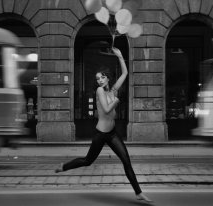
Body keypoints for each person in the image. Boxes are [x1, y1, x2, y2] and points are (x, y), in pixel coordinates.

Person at [55, 47, 152, 202]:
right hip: (100, 134)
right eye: (97, 79)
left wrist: (120, 56)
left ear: (107, 78)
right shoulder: (100, 91)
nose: (99, 81)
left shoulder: (113, 90)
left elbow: (125, 74)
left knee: (126, 161)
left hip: (113, 133)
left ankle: (138, 192)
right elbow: (107, 110)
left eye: (101, 78)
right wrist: (117, 101)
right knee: (87, 161)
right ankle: (63, 167)